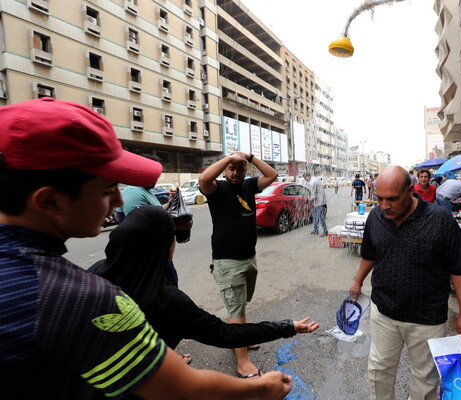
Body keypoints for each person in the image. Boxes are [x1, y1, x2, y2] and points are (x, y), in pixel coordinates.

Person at [0, 98, 292, 399]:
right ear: (49, 201)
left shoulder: (40, 274)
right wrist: (261, 388)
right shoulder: (77, 297)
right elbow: (180, 387)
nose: (117, 201)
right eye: (107, 190)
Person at [90, 206, 319, 352]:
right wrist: (287, 326)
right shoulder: (168, 300)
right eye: (173, 237)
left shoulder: (93, 275)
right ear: (164, 246)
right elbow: (226, 334)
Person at [349, 166, 461, 400]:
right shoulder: (376, 216)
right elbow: (369, 253)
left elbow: (459, 270)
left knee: (425, 378)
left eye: (392, 199)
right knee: (379, 369)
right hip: (384, 312)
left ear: (410, 190)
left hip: (426, 317)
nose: (385, 205)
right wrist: (357, 281)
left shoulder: (440, 219)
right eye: (380, 198)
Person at [199, 151, 278, 379]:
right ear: (225, 170)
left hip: (249, 257)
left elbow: (271, 174)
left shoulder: (250, 185)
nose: (235, 173)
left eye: (239, 169)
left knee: (241, 304)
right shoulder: (217, 189)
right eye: (231, 169)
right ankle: (242, 362)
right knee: (236, 309)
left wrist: (249, 158)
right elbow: (204, 179)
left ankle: (241, 336)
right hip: (227, 261)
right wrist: (230, 157)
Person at [305, 173, 328, 237]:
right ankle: (315, 229)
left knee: (320, 217)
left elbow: (313, 195)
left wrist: (309, 200)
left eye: (305, 178)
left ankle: (325, 231)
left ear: (308, 176)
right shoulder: (315, 179)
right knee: (315, 215)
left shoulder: (313, 182)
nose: (305, 179)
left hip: (319, 201)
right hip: (318, 201)